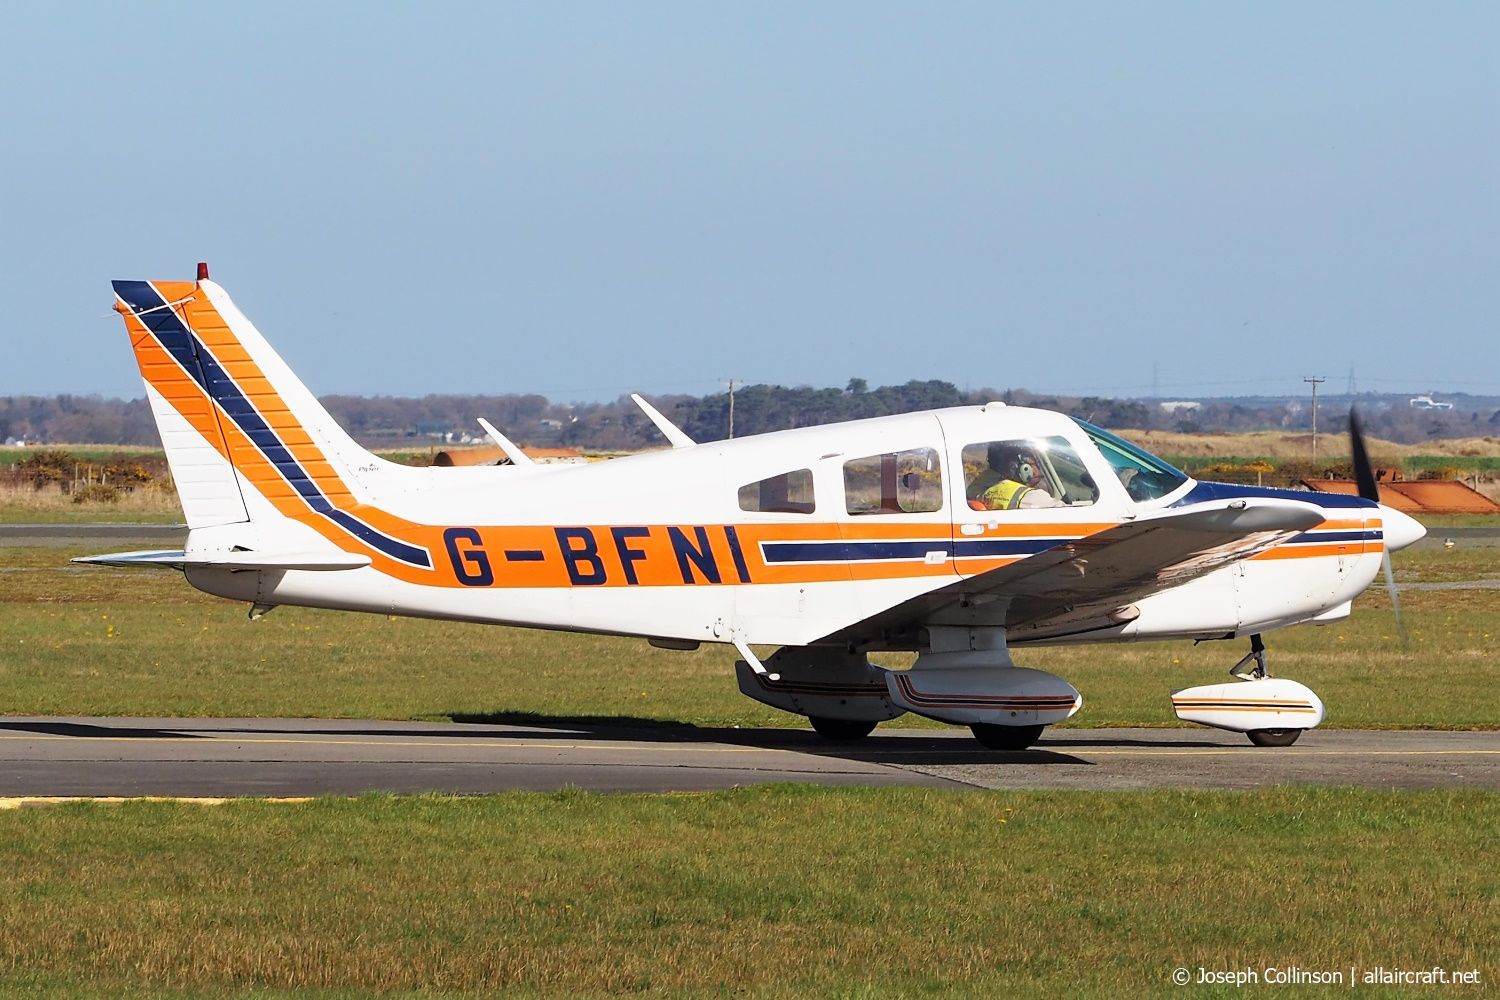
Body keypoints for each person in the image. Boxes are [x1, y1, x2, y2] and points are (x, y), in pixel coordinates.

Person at [967, 442, 1063, 510]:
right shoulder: (1028, 497)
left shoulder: (978, 485)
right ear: (1025, 468)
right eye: (1035, 462)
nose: (1038, 468)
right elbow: (1069, 514)